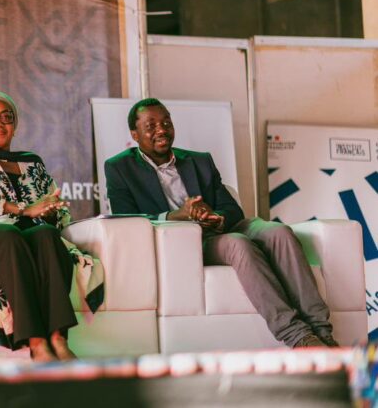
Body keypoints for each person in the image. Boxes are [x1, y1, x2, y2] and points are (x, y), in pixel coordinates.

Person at [104, 98, 336, 348]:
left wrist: (214, 216)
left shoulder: (199, 161)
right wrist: (176, 216)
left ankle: (322, 333)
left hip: (220, 228)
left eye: (166, 123)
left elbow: (232, 210)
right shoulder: (119, 168)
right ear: (135, 134)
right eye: (151, 126)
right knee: (238, 244)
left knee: (279, 232)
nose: (161, 130)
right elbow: (127, 220)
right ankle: (298, 336)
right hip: (189, 243)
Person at [0, 91, 103, 361]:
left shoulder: (32, 163)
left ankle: (58, 339)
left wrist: (50, 210)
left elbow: (52, 208)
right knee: (7, 233)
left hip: (30, 231)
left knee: (47, 234)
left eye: (6, 117)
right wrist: (23, 209)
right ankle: (37, 343)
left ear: (14, 125)